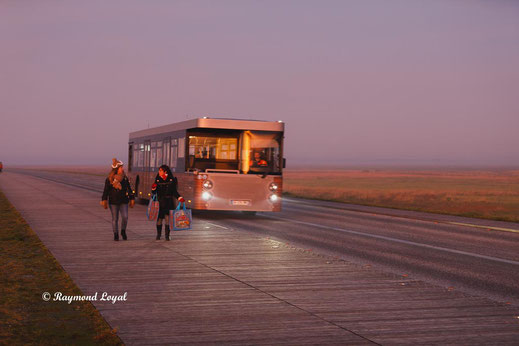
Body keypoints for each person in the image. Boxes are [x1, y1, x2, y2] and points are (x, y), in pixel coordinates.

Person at [101, 158, 135, 241]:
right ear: (117, 169)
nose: (122, 169)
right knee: (115, 219)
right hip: (113, 202)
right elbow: (106, 191)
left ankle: (123, 231)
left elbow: (129, 189)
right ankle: (115, 234)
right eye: (121, 167)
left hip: (124, 201)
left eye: (122, 167)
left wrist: (132, 198)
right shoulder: (109, 179)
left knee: (125, 217)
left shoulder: (125, 178)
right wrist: (104, 200)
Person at [152, 164, 184, 241]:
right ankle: (158, 235)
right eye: (159, 170)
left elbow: (174, 191)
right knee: (159, 219)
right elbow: (154, 192)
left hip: (169, 201)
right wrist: (153, 189)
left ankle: (167, 235)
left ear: (165, 171)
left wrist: (179, 197)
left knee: (167, 218)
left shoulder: (171, 179)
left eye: (160, 170)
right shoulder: (157, 179)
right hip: (160, 202)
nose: (159, 172)